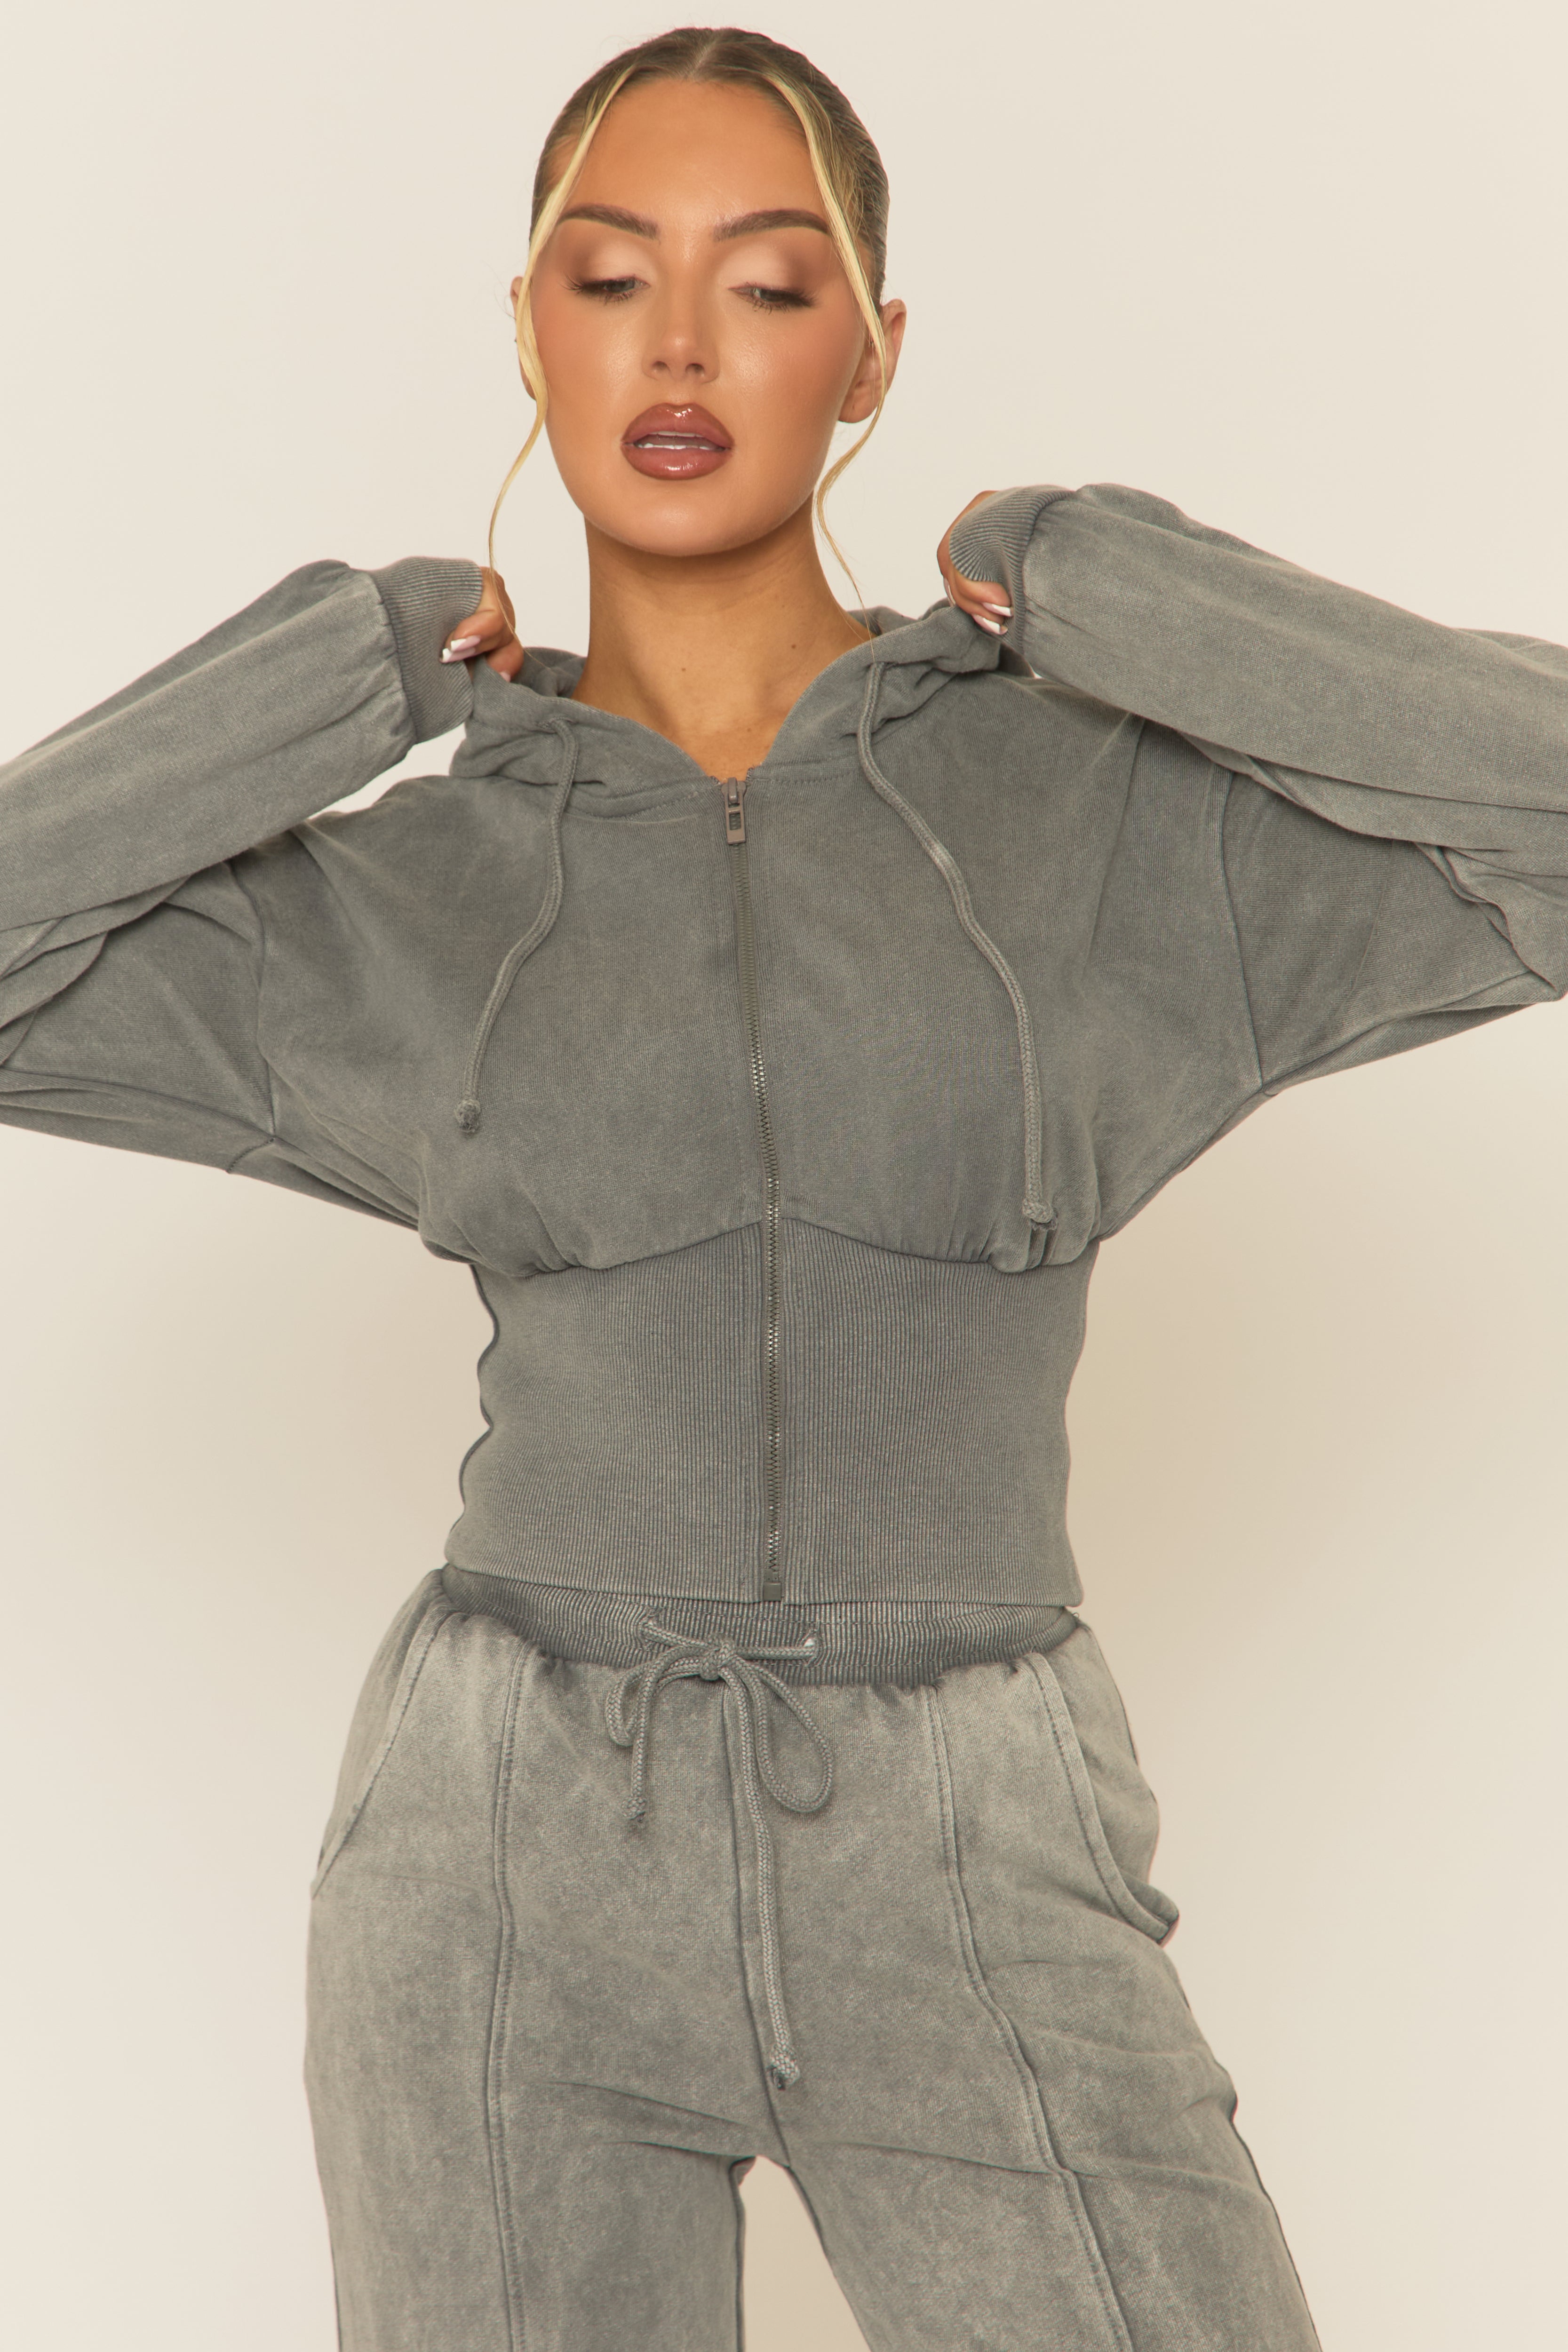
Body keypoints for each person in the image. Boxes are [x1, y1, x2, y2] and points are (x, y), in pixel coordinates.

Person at [3, 21, 1565, 2352]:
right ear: (527, 333)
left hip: (974, 1821)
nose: (679, 344)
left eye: (766, 281)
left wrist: (1113, 581)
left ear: (873, 356)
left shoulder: (1098, 828)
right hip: (501, 1852)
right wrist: (334, 669)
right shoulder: (422, 890)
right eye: (608, 276)